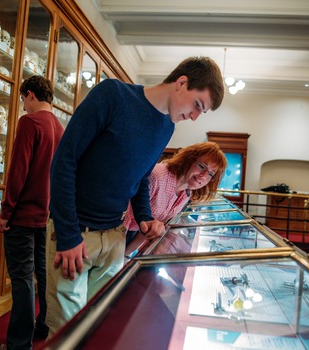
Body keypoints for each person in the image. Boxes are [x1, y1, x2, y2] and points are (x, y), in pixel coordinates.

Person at [45, 56, 224, 336]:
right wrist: (68, 234)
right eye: (197, 105)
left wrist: (144, 218)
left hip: (115, 236)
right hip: (76, 234)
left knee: (97, 326)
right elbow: (64, 162)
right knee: (66, 332)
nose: (194, 116)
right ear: (181, 83)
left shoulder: (166, 128)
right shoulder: (113, 95)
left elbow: (140, 177)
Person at [0, 75, 64, 349]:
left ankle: (18, 344)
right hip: (46, 217)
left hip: (22, 217)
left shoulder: (30, 122)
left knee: (22, 280)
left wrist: (5, 213)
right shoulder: (60, 127)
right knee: (44, 275)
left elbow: (18, 172)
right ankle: (43, 327)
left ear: (30, 95)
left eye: (24, 99)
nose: (24, 105)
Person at [123, 141, 227, 245]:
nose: (203, 175)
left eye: (210, 174)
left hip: (135, 234)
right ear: (188, 159)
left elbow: (150, 229)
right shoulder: (157, 177)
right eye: (201, 166)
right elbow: (124, 216)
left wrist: (127, 255)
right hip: (118, 231)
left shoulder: (187, 192)